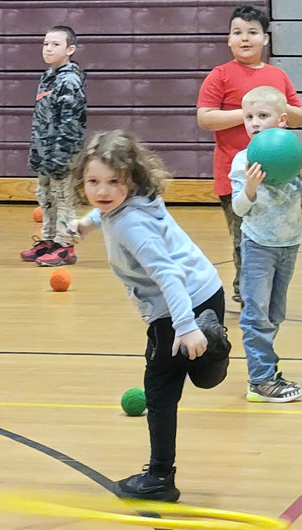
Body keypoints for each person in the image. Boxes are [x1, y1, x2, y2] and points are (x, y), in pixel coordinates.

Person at [68, 129, 232, 501]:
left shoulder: (130, 224)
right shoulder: (133, 201)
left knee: (160, 393)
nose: (102, 191)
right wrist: (86, 223)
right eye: (93, 181)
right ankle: (214, 345)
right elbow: (105, 209)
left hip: (177, 308)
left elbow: (168, 274)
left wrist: (186, 327)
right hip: (207, 288)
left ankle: (160, 477)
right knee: (197, 377)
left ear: (131, 179)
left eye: (113, 182)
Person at [197, 5, 302, 305]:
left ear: (265, 39)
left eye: (252, 32)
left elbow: (298, 116)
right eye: (237, 32)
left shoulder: (277, 75)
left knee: (273, 236)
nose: (245, 38)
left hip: (279, 176)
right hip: (237, 175)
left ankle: (265, 290)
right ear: (228, 39)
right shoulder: (219, 75)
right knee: (242, 237)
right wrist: (246, 113)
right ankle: (247, 292)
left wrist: (273, 109)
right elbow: (205, 118)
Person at [229, 86, 302, 403]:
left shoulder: (296, 154)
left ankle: (265, 368)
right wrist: (250, 188)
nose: (254, 122)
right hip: (257, 246)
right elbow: (239, 210)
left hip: (289, 244)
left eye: (262, 116)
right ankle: (261, 379)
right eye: (248, 117)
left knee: (275, 313)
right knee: (255, 314)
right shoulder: (243, 161)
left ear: (282, 121)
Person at [21, 25, 87, 267]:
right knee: (45, 195)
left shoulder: (69, 80)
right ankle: (49, 240)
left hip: (61, 153)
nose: (48, 49)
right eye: (46, 44)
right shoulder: (49, 76)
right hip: (45, 151)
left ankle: (65, 245)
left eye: (55, 45)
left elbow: (70, 122)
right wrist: (38, 152)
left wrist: (60, 155)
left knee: (62, 197)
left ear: (70, 49)